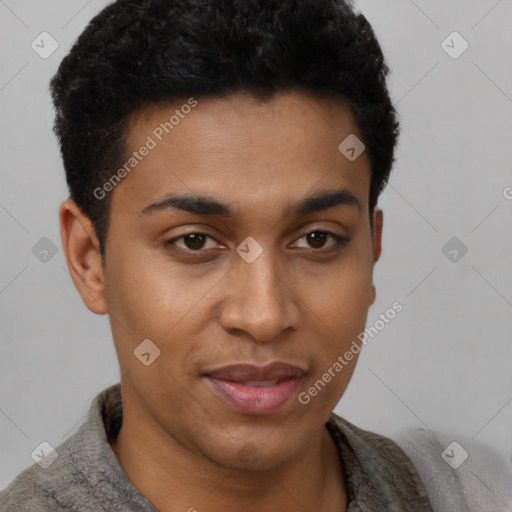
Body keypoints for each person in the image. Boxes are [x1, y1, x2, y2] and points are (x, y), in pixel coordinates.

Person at [0, 0, 438, 510]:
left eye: (316, 238)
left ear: (372, 249)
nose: (263, 316)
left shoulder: (455, 493)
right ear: (88, 260)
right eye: (194, 241)